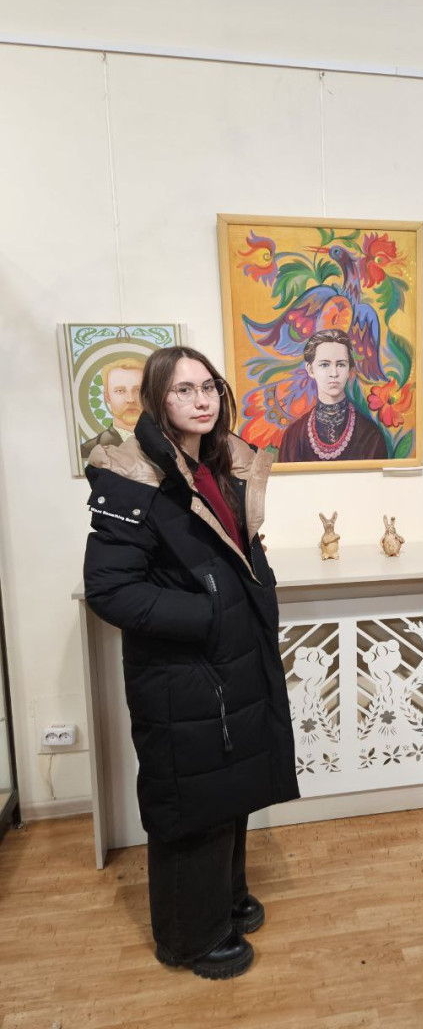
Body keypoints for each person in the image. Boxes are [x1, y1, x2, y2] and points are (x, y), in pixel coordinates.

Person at [83, 346, 299, 978]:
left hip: (231, 660)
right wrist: (208, 616)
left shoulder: (220, 464)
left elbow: (238, 553)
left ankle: (223, 901)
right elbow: (110, 590)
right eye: (183, 390)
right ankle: (189, 937)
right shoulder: (133, 477)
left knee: (229, 791)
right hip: (181, 672)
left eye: (209, 387)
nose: (201, 400)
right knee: (192, 799)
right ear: (157, 399)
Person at [277, 328, 387, 462]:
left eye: (341, 364)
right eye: (324, 365)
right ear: (310, 370)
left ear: (350, 370)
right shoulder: (293, 436)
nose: (334, 373)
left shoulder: (370, 435)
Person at [80, 355, 146, 457]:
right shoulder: (88, 451)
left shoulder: (169, 442)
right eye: (120, 391)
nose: (130, 399)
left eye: (137, 390)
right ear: (107, 397)